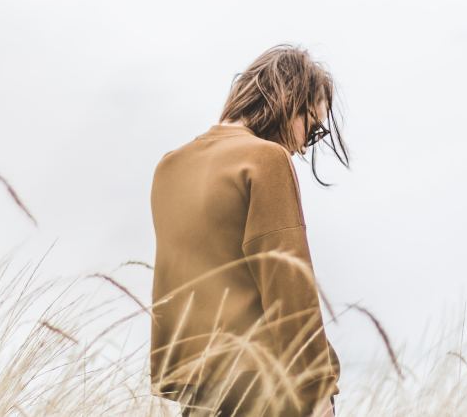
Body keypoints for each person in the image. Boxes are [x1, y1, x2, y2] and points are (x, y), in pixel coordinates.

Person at [149, 43, 351, 417]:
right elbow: (289, 285)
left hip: (201, 395)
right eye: (312, 126)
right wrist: (318, 390)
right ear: (289, 100)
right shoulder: (265, 159)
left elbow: (174, 283)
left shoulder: (168, 168)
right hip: (267, 391)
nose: (304, 146)